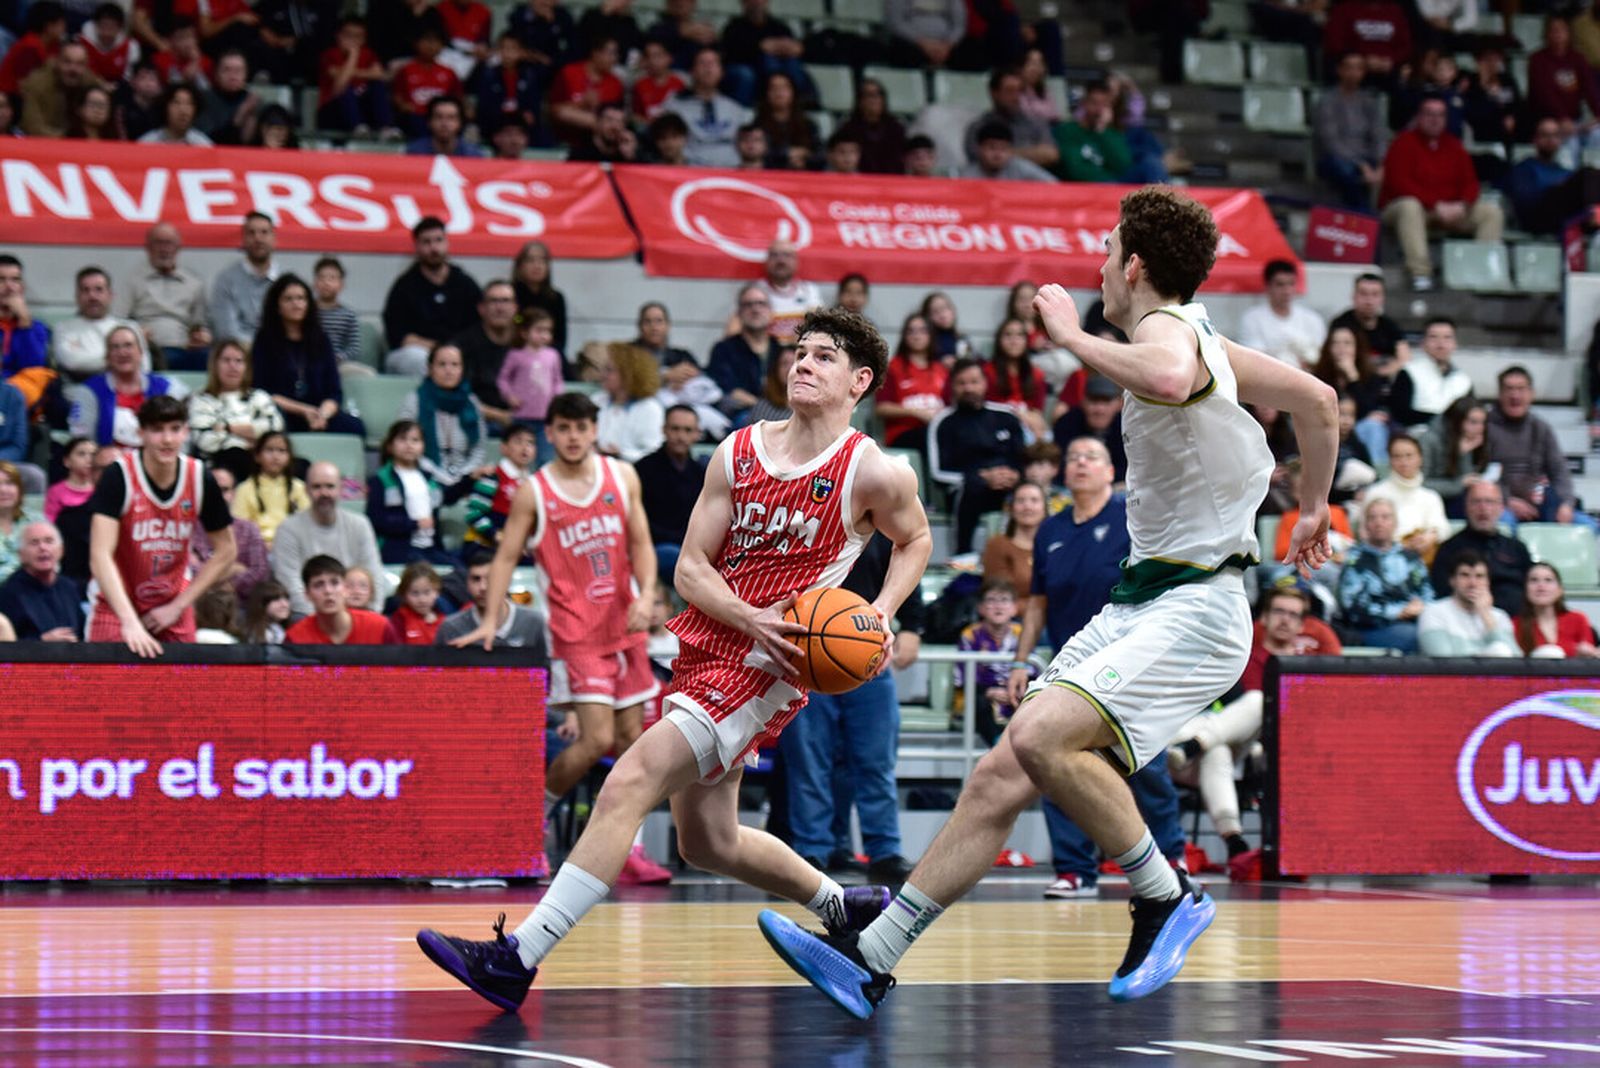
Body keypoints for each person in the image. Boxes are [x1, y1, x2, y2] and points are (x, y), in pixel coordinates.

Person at [761, 187, 1339, 1016]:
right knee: (1001, 771)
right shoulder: (1205, 334)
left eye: (1107, 252)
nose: (1099, 267)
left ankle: (1164, 893)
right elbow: (1318, 403)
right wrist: (1312, 504)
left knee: (1038, 737)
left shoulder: (1167, 334)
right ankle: (872, 955)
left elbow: (1173, 373)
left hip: (1195, 605)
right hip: (1145, 600)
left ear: (1133, 267)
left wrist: (1070, 336)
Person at [419, 306, 930, 1012]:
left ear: (859, 381)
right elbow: (690, 570)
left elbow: (917, 542)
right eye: (800, 352)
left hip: (769, 666)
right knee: (707, 841)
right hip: (709, 644)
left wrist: (880, 612)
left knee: (630, 777)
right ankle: (845, 906)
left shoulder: (874, 470)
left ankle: (518, 957)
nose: (804, 363)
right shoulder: (738, 450)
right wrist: (743, 611)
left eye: (824, 356)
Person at [1000, 437, 1186, 897]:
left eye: (1092, 457)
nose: (1080, 463)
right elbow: (1038, 606)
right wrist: (1023, 659)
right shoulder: (1050, 530)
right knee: (1055, 759)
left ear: (1110, 471)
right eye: (1073, 456)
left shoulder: (1133, 520)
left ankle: (1171, 860)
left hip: (1131, 660)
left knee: (1147, 763)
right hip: (1072, 664)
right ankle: (1074, 870)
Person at [779, 529, 920, 885]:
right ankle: (814, 849)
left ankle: (884, 851)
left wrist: (911, 624)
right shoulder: (806, 518)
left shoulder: (886, 518)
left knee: (875, 761)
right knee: (810, 761)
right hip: (807, 658)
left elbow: (908, 559)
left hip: (868, 657)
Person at [1168, 584, 1340, 872]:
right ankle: (1235, 840)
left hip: (1273, 747)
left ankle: (1194, 744)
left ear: (1301, 624)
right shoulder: (1241, 655)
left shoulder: (1308, 664)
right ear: (1264, 618)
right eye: (1279, 612)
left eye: (1293, 615)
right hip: (1232, 744)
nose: (1285, 620)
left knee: (1260, 701)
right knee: (1222, 745)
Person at [87, 395, 237, 656]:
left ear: (186, 432)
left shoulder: (200, 476)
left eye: (175, 429)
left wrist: (179, 607)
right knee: (104, 690)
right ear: (141, 433)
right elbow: (99, 555)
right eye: (157, 430)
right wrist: (130, 621)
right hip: (116, 603)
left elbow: (226, 550)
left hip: (171, 603)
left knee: (178, 692)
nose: (167, 439)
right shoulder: (118, 475)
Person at [1379, 95, 1505, 292]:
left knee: (1491, 212)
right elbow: (1398, 184)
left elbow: (1471, 183)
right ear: (1419, 117)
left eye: (1440, 115)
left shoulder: (1454, 146)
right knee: (1409, 206)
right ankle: (1420, 274)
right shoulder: (1402, 143)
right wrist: (1435, 205)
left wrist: (1463, 205)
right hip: (1410, 209)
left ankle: (1480, 272)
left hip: (1451, 210)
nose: (1435, 119)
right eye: (1429, 114)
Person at [929, 357, 1025, 554]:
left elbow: (1024, 459)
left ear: (985, 383)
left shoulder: (1007, 416)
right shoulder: (944, 422)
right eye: (962, 383)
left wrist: (1016, 475)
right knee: (972, 487)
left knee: (1028, 489)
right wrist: (983, 477)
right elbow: (938, 473)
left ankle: (1026, 553)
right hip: (968, 489)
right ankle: (963, 554)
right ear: (953, 386)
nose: (968, 388)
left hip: (1009, 485)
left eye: (974, 382)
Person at [251, 274, 364, 438]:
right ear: (277, 306)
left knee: (355, 427)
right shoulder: (264, 340)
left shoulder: (321, 339)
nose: (296, 304)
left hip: (318, 412)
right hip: (284, 412)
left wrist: (322, 415)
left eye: (301, 298)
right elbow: (263, 391)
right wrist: (305, 411)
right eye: (288, 299)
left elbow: (334, 391)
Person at [273, 461, 386, 615]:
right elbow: (291, 587)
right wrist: (332, 617)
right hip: (309, 615)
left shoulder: (360, 524)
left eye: (330, 486)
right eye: (317, 487)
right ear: (306, 490)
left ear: (340, 489)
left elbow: (374, 577)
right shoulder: (288, 529)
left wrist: (372, 613)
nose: (324, 493)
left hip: (358, 612)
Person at [384, 216, 483, 377]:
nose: (434, 248)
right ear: (417, 246)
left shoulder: (465, 284)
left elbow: (478, 328)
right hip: (419, 355)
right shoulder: (404, 287)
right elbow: (400, 337)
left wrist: (452, 352)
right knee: (420, 359)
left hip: (458, 353)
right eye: (426, 242)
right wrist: (439, 350)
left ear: (447, 243)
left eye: (438, 240)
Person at [1487, 365, 1581, 526]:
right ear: (1500, 394)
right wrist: (1506, 500)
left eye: (1521, 389)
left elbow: (1560, 473)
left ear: (1532, 394)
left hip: (1537, 503)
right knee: (1505, 521)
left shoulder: (1541, 428)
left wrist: (1566, 504)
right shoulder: (1485, 427)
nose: (1515, 395)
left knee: (1587, 525)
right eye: (1509, 389)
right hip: (1498, 503)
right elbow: (1482, 476)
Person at [65, 326, 187, 448]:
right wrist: (98, 456)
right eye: (115, 347)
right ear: (107, 357)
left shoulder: (167, 387)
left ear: (140, 352)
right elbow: (81, 440)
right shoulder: (89, 391)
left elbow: (183, 435)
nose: (122, 352)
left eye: (128, 345)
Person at [1336, 496, 1431, 651]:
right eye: (1372, 517)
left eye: (1385, 517)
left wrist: (1421, 607)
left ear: (1395, 523)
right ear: (1365, 525)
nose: (1379, 522)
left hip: (1415, 621)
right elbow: (1351, 605)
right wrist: (1397, 612)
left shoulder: (1411, 557)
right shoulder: (1354, 559)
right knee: (1414, 636)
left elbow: (1429, 595)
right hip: (1371, 628)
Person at [1431, 479, 1533, 614]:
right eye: (1476, 502)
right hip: (1466, 619)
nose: (1483, 508)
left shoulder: (1517, 548)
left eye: (1489, 502)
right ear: (1466, 507)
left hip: (1516, 620)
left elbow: (1531, 586)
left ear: (1501, 508)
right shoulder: (1449, 549)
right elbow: (1443, 592)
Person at [397, 343, 488, 493]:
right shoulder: (415, 400)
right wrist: (440, 475)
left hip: (466, 476)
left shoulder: (472, 402)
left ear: (462, 369)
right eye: (442, 364)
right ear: (430, 368)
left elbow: (479, 448)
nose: (449, 370)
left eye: (455, 365)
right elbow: (405, 444)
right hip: (425, 472)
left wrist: (465, 474)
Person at [188, 338, 284, 479]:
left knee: (301, 465)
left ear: (247, 367)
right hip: (219, 464)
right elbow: (204, 440)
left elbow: (275, 426)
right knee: (235, 454)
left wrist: (228, 428)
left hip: (262, 459)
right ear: (215, 365)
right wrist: (253, 437)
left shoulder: (258, 396)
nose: (233, 366)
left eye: (239, 361)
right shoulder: (201, 399)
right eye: (226, 360)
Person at [119, 223, 210, 370]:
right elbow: (118, 321)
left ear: (178, 248)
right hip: (150, 348)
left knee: (211, 357)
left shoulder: (194, 283)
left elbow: (200, 324)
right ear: (147, 248)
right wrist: (135, 332)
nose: (164, 249)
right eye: (158, 243)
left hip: (186, 348)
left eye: (169, 243)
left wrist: (202, 336)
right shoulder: (133, 282)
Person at [633, 404, 705, 586]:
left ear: (697, 434)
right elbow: (639, 521)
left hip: (692, 548)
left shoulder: (702, 473)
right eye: (675, 429)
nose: (681, 436)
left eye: (688, 430)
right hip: (655, 547)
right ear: (664, 430)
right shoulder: (643, 469)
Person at [369, 420, 457, 567]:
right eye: (402, 439)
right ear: (390, 446)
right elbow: (375, 519)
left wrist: (470, 479)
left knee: (460, 572)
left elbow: (446, 497)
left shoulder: (429, 478)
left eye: (415, 440)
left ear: (422, 447)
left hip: (430, 548)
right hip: (398, 549)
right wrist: (413, 524)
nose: (409, 445)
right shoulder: (380, 479)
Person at [1314, 51, 1390, 208]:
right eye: (1349, 67)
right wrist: (1360, 165)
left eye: (1358, 68)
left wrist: (1381, 163)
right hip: (1337, 158)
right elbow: (1331, 142)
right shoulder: (1327, 101)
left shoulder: (1369, 100)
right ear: (1340, 70)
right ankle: (1365, 215)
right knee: (1347, 172)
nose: (1353, 73)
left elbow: (1378, 134)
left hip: (1367, 157)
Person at [51, 266, 150, 383]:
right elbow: (70, 362)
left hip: (128, 391)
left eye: (99, 289)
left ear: (110, 295)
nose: (92, 296)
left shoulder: (130, 327)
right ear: (77, 296)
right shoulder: (63, 328)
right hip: (81, 391)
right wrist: (121, 359)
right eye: (85, 290)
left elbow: (144, 366)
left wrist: (89, 358)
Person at [189, 464, 270, 604]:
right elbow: (188, 573)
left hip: (242, 605)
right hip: (198, 604)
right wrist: (234, 569)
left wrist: (222, 584)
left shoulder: (249, 529)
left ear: (233, 494)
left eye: (224, 490)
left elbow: (259, 574)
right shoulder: (188, 529)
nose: (218, 496)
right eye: (212, 489)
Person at [1363, 434, 1451, 561]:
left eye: (1409, 456)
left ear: (1420, 458)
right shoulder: (1375, 493)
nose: (1404, 462)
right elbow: (1364, 534)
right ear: (1390, 460)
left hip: (1424, 558)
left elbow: (1442, 528)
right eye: (1397, 456)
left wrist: (1429, 537)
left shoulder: (1430, 496)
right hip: (1382, 558)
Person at [286, 554, 402, 645]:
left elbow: (401, 672)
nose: (328, 591)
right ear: (307, 594)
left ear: (346, 588)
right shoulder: (295, 637)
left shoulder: (380, 627)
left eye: (334, 583)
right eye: (318, 585)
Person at [1418, 551, 1517, 656]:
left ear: (1488, 582)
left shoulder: (1499, 616)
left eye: (1479, 576)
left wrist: (1486, 616)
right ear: (1452, 580)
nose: (1472, 583)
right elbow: (1441, 659)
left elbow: (1516, 660)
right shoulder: (1433, 611)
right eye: (1465, 575)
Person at [497, 308, 564, 464]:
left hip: (545, 417)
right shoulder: (516, 355)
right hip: (521, 415)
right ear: (524, 332)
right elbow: (503, 379)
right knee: (518, 456)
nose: (544, 335)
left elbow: (558, 380)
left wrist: (557, 398)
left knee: (545, 457)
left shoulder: (553, 355)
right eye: (539, 330)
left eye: (547, 331)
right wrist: (509, 396)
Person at [664, 47, 751, 167]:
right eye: (702, 63)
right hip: (690, 173)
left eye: (713, 63)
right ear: (692, 71)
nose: (708, 68)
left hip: (732, 172)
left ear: (722, 72)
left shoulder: (735, 109)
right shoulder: (674, 107)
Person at [0, 520, 85, 641]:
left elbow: (82, 634)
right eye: (34, 543)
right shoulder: (9, 593)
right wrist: (42, 641)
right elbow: (6, 645)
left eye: (49, 541)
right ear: (21, 555)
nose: (43, 548)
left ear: (61, 550)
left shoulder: (69, 587)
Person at [875, 313, 947, 455]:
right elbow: (881, 408)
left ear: (930, 335)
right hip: (904, 433)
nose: (916, 335)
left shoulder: (941, 369)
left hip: (936, 429)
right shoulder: (894, 367)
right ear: (904, 336)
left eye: (922, 330)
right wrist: (917, 413)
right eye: (911, 331)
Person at [452, 280, 521, 429]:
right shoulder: (463, 345)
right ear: (481, 308)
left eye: (506, 301)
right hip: (477, 420)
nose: (500, 307)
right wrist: (499, 416)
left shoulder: (526, 343)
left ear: (515, 308)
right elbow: (458, 396)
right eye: (493, 301)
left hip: (523, 420)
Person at [209, 212, 279, 355]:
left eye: (264, 232)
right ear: (243, 239)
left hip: (279, 356)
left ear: (273, 238)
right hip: (239, 357)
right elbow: (226, 331)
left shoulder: (285, 282)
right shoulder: (226, 280)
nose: (258, 238)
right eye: (251, 233)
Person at [1237, 260, 1326, 371]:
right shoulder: (1252, 319)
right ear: (1268, 287)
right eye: (1280, 285)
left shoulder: (1312, 319)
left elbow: (1321, 358)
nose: (1287, 291)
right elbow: (1254, 360)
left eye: (1291, 284)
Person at [964, 66, 1058, 171]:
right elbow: (979, 160)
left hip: (1030, 183)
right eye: (1009, 91)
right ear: (994, 93)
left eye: (1019, 91)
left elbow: (1051, 155)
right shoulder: (979, 127)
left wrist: (1001, 154)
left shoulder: (1035, 123)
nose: (1016, 96)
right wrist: (1033, 153)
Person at [1528, 15, 1600, 150]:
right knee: (1569, 142)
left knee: (1598, 136)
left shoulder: (1577, 58)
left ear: (1569, 33)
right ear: (1547, 34)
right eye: (1554, 30)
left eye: (1562, 30)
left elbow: (1590, 88)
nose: (1558, 34)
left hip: (1575, 121)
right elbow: (1544, 94)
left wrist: (1598, 113)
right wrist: (1562, 118)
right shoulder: (1537, 60)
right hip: (1548, 121)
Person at [708, 285, 774, 427]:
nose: (755, 309)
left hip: (780, 412)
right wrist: (763, 406)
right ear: (738, 312)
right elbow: (729, 391)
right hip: (741, 415)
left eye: (761, 304)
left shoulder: (781, 349)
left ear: (770, 311)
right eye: (748, 304)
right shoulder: (723, 350)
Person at [464, 421, 536, 548]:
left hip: (515, 547)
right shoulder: (493, 476)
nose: (525, 448)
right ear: (504, 448)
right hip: (483, 544)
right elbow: (474, 513)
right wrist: (495, 534)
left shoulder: (534, 483)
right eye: (518, 442)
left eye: (530, 443)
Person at [317, 16, 395, 134]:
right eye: (348, 35)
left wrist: (348, 72)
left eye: (358, 36)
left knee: (377, 86)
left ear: (364, 39)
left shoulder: (368, 54)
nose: (353, 40)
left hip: (362, 106)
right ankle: (357, 127)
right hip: (333, 108)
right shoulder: (330, 55)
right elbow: (339, 86)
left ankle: (387, 128)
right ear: (339, 36)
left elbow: (381, 75)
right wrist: (353, 55)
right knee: (346, 88)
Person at [230, 431, 308, 547]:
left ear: (289, 457)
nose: (275, 456)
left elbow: (308, 523)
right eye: (269, 450)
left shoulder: (299, 487)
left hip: (293, 546)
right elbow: (240, 528)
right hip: (258, 548)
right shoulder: (245, 489)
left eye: (282, 451)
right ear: (257, 456)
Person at [20, 40, 106, 139]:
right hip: (43, 146)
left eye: (80, 64)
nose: (73, 69)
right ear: (57, 62)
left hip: (82, 146)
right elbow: (33, 128)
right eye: (67, 62)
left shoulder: (91, 83)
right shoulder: (36, 85)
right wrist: (69, 140)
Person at [1394, 317, 1472, 427]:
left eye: (1447, 338)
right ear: (1423, 343)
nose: (1441, 344)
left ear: (1455, 344)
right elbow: (1400, 413)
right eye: (1433, 337)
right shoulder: (1409, 372)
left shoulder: (1463, 380)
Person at [1050, 374, 1128, 482]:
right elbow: (1061, 466)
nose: (1099, 409)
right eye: (1093, 401)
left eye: (1106, 402)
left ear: (1120, 404)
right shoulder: (1067, 423)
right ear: (1083, 401)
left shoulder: (1127, 426)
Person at [595, 344, 665, 463]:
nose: (603, 375)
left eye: (609, 370)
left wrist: (621, 454)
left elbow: (654, 453)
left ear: (628, 374)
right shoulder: (597, 400)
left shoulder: (650, 408)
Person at [1053, 80, 1133, 183]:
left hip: (1112, 187)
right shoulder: (1068, 130)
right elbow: (1075, 170)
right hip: (1085, 189)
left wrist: (1101, 131)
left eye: (1104, 105)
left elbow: (1123, 166)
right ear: (1084, 103)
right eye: (1094, 103)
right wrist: (1107, 178)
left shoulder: (1111, 133)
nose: (1099, 110)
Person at [549, 34, 624, 144]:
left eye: (616, 54)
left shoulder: (616, 83)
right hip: (567, 133)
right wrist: (582, 104)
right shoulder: (569, 73)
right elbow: (554, 111)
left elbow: (616, 117)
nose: (614, 59)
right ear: (595, 53)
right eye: (610, 53)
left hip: (602, 139)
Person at [1422, 396, 1490, 514]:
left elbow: (1469, 481)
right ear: (1456, 421)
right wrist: (1458, 484)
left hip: (1457, 500)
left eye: (1482, 423)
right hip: (1431, 503)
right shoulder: (1428, 440)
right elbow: (1421, 484)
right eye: (1473, 422)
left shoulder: (1472, 439)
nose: (1480, 428)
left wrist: (1463, 454)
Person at [0, 255, 52, 409]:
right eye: (1, 279)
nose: (9, 286)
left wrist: (24, 322)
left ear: (22, 288)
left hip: (21, 404)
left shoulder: (36, 328)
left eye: (15, 280)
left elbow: (34, 370)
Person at [391, 26, 463, 137]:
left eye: (435, 42)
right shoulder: (406, 70)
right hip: (415, 117)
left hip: (441, 117)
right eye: (426, 41)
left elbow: (457, 97)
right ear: (417, 44)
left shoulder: (449, 72)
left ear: (441, 46)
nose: (430, 46)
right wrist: (404, 106)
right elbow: (397, 96)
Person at [984, 317, 1049, 439]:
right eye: (1008, 335)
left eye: (1019, 335)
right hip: (996, 425)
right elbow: (987, 408)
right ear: (999, 340)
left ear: (1026, 341)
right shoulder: (987, 372)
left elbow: (1037, 412)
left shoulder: (1037, 374)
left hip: (1028, 425)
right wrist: (1018, 415)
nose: (1014, 341)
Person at [1515, 563, 1597, 657]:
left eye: (1548, 580)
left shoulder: (1578, 619)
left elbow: (1590, 660)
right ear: (1525, 589)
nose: (1541, 586)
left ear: (1560, 590)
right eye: (1534, 580)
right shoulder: (1516, 625)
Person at [981, 479, 1045, 598]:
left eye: (1034, 500)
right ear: (1011, 508)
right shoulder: (997, 545)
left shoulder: (1055, 546)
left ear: (1044, 508)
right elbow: (998, 597)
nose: (1027, 506)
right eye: (1021, 501)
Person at [1329, 272, 1411, 365]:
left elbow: (1405, 359)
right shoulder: (1340, 325)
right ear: (1353, 296)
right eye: (1363, 294)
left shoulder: (1391, 327)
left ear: (1382, 298)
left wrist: (1380, 376)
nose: (1369, 300)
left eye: (1375, 294)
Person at [511, 241, 568, 362]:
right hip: (516, 350)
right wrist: (521, 320)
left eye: (542, 261)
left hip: (548, 352)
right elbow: (516, 320)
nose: (537, 265)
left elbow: (560, 336)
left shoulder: (556, 298)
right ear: (520, 266)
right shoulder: (510, 295)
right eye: (530, 260)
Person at [837, 77, 907, 175]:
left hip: (892, 182)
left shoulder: (896, 128)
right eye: (869, 95)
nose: (874, 99)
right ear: (860, 101)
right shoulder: (849, 129)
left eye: (878, 94)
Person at [960, 120, 1057, 182]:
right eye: (992, 148)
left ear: (1011, 151)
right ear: (979, 149)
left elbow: (1053, 184)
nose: (998, 154)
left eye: (1003, 149)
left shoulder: (1019, 168)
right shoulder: (968, 176)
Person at [405, 93, 486, 157]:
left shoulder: (473, 155)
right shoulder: (414, 153)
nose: (444, 123)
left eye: (451, 118)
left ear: (460, 123)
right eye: (439, 117)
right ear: (429, 122)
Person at [138, 82, 212, 146]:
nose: (183, 110)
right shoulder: (148, 143)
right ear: (165, 108)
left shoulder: (203, 144)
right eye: (176, 103)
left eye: (189, 104)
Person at [630, 38, 685, 123]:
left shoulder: (679, 83)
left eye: (658, 56)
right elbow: (635, 115)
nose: (653, 61)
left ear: (669, 58)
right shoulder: (639, 85)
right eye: (649, 57)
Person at [390, 561, 445, 644]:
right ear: (404, 594)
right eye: (415, 593)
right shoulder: (399, 619)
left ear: (437, 592)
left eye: (427, 592)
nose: (422, 599)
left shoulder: (445, 622)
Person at [46, 438, 98, 523]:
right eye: (81, 454)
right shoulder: (55, 491)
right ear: (67, 461)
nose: (89, 459)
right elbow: (49, 524)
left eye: (93, 454)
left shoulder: (100, 490)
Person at [568, 100, 638, 162]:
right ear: (598, 122)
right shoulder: (581, 154)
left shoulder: (624, 154)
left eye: (620, 122)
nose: (615, 126)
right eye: (609, 120)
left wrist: (630, 157)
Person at [747, 345, 795, 424]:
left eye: (794, 363)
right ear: (775, 369)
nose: (789, 369)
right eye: (784, 363)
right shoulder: (762, 407)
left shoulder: (811, 409)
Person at [241, 579, 291, 643]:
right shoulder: (254, 635)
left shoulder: (278, 628)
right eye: (276, 599)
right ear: (261, 604)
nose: (284, 604)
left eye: (286, 598)